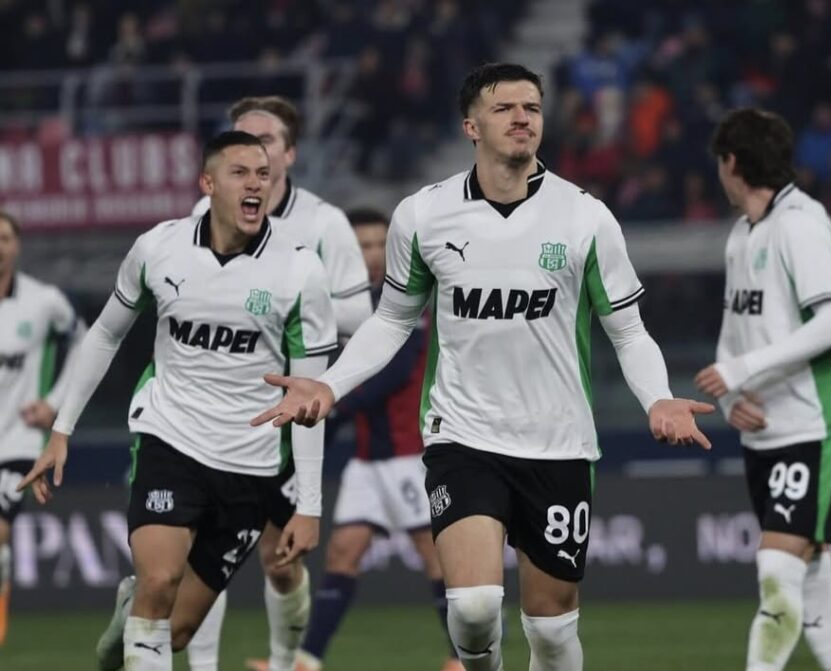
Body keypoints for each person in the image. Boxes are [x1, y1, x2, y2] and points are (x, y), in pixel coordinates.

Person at [250, 62, 714, 671]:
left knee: (551, 632)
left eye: (532, 108)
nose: (522, 118)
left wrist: (658, 397)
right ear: (471, 126)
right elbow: (391, 321)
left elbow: (627, 330)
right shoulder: (423, 215)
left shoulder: (585, 217)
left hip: (558, 443)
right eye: (505, 108)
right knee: (471, 609)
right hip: (463, 437)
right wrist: (330, 385)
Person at [17, 131, 337, 671]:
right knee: (161, 580)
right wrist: (62, 429)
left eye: (263, 173)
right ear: (208, 183)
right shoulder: (159, 248)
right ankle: (144, 598)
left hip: (250, 464)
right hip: (171, 440)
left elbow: (309, 401)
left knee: (178, 630)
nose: (255, 184)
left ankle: (131, 612)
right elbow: (105, 334)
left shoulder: (300, 270)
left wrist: (309, 506)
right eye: (240, 172)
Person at [188, 96, 372, 671]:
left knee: (280, 558)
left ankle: (285, 659)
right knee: (201, 547)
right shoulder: (203, 214)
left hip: (290, 411)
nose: (252, 151)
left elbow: (361, 316)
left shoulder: (324, 223)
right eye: (240, 140)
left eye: (264, 141)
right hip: (214, 405)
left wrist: (292, 301)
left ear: (289, 154)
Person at [695, 108, 831, 671]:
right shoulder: (742, 234)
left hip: (814, 424)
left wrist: (744, 369)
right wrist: (728, 397)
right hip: (764, 431)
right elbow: (734, 330)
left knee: (777, 570)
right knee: (812, 576)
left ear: (731, 163)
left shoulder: (801, 224)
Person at [293, 207, 462, 671]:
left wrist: (329, 406)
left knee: (436, 556)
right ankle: (306, 660)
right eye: (360, 246)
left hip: (411, 454)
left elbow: (392, 373)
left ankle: (463, 657)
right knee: (343, 551)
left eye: (376, 245)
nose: (369, 255)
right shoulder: (345, 307)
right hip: (368, 458)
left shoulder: (410, 299)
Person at [0, 210, 86, 645]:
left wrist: (53, 404)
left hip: (18, 441)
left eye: (4, 238)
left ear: (17, 245)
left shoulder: (43, 301)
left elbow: (86, 342)